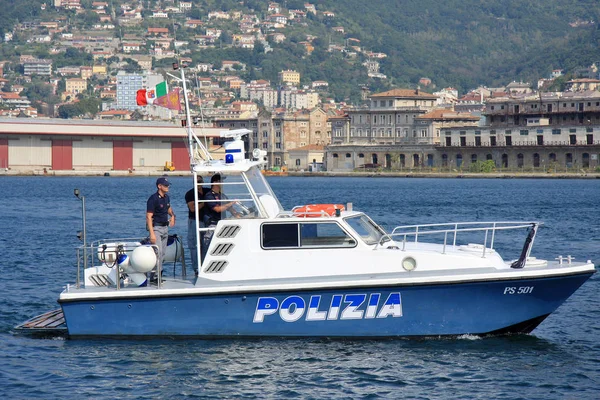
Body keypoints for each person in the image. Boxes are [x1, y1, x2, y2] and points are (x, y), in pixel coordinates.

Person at [202, 174, 240, 256]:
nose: (223, 183)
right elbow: (217, 209)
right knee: (209, 247)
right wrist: (231, 203)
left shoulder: (223, 195)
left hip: (222, 224)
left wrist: (238, 215)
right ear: (215, 182)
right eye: (221, 181)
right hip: (212, 225)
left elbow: (231, 209)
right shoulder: (209, 195)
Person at [146, 176, 175, 283]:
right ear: (159, 186)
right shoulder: (153, 199)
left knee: (162, 253)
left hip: (165, 227)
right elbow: (149, 216)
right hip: (156, 228)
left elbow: (168, 208)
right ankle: (154, 276)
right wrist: (152, 233)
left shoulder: (166, 197)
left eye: (168, 185)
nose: (168, 187)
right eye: (166, 185)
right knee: (157, 253)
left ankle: (158, 274)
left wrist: (172, 216)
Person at [185, 175, 206, 276]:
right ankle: (196, 268)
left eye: (200, 181)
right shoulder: (190, 194)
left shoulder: (207, 191)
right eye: (197, 181)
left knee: (205, 244)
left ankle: (205, 266)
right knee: (194, 245)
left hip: (206, 221)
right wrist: (205, 202)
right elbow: (192, 208)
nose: (199, 183)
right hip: (194, 221)